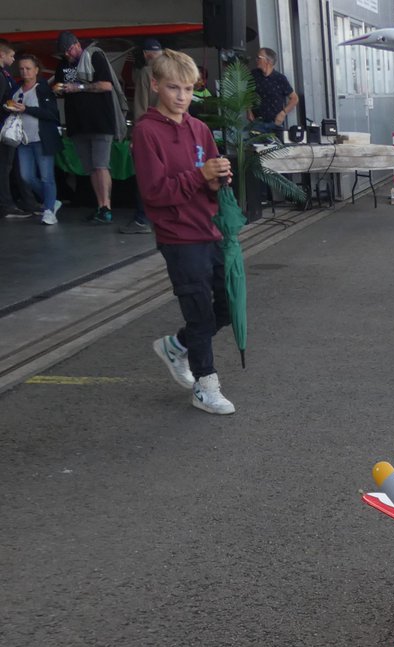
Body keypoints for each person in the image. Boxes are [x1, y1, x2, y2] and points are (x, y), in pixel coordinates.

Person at [134, 50, 237, 415]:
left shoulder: (199, 128)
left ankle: (176, 346)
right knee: (199, 313)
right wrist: (201, 175)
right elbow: (154, 192)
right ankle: (205, 386)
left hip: (210, 230)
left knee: (228, 306)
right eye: (173, 87)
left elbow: (211, 184)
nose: (181, 96)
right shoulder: (146, 131)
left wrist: (220, 177)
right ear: (155, 85)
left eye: (188, 88)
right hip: (178, 236)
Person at [53, 31, 119, 224]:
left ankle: (106, 206)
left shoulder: (94, 56)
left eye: (69, 50)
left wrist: (78, 88)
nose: (67, 55)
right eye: (64, 52)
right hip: (77, 123)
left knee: (100, 165)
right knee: (91, 167)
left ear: (76, 45)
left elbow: (107, 85)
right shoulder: (63, 64)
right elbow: (59, 84)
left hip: (99, 121)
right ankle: (100, 205)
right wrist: (59, 89)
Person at [9, 53, 63, 225]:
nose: (25, 72)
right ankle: (51, 200)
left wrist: (27, 109)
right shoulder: (16, 89)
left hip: (42, 139)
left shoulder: (44, 89)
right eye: (22, 69)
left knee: (47, 176)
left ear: (36, 70)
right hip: (23, 140)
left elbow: (52, 114)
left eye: (28, 69)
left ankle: (49, 210)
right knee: (26, 177)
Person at [121, 37, 163, 235]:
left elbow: (140, 107)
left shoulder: (147, 72)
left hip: (151, 131)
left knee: (146, 175)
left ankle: (142, 219)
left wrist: (136, 135)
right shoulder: (173, 71)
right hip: (171, 131)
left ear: (146, 54)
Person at [1, 40, 41, 218]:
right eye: (11, 55)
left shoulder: (6, 74)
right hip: (5, 128)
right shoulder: (2, 76)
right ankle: (7, 205)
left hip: (10, 127)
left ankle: (27, 202)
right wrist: (9, 106)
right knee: (6, 167)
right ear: (2, 55)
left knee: (15, 166)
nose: (13, 58)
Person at [249, 48, 298, 139]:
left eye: (259, 57)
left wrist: (283, 113)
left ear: (268, 61)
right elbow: (247, 95)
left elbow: (294, 98)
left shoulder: (280, 79)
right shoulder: (254, 75)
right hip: (257, 122)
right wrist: (248, 111)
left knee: (275, 151)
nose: (256, 60)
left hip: (275, 122)